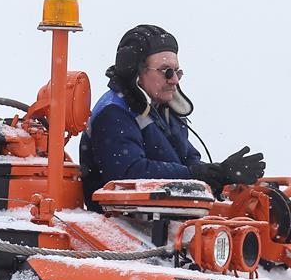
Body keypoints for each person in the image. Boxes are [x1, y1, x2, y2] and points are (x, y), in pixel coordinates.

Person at [79, 24, 264, 211]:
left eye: (178, 72)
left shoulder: (163, 109)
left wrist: (220, 173)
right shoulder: (113, 113)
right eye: (166, 71)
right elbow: (128, 173)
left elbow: (188, 160)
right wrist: (195, 174)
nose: (174, 79)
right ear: (136, 71)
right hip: (123, 223)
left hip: (163, 218)